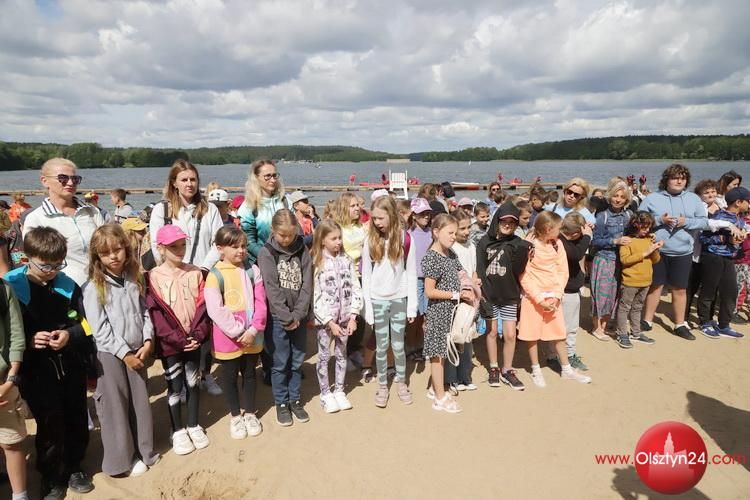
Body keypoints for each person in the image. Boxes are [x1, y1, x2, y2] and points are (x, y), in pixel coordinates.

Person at [4, 227, 95, 498]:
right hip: (36, 370)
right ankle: (51, 475)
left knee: (76, 416)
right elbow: (8, 332)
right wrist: (30, 340)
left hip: (71, 364)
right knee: (49, 422)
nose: (52, 271)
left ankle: (74, 466)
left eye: (58, 265)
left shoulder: (68, 285)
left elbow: (86, 324)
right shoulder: (12, 286)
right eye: (45, 266)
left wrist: (70, 334)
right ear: (26, 257)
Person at [82, 225, 159, 477]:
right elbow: (99, 328)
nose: (113, 256)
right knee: (115, 406)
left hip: (138, 348)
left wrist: (147, 339)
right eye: (105, 253)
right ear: (97, 256)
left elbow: (144, 311)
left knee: (139, 402)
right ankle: (120, 462)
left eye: (117, 250)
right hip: (111, 355)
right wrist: (124, 353)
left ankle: (144, 450)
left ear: (126, 249)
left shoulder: (134, 277)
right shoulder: (94, 287)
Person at [149, 160, 223, 394]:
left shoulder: (209, 209)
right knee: (176, 327)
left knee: (204, 326)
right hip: (171, 279)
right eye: (184, 179)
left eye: (193, 179)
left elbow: (218, 241)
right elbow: (156, 243)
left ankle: (205, 374)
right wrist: (171, 270)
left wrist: (203, 269)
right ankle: (179, 382)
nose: (189, 184)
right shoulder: (162, 210)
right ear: (174, 183)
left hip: (202, 275)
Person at [145, 225, 211, 455]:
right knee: (174, 386)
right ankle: (177, 429)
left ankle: (193, 424)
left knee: (193, 382)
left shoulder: (195, 273)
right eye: (173, 246)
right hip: (170, 344)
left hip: (193, 340)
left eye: (183, 245)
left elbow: (204, 308)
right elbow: (156, 315)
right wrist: (176, 339)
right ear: (161, 249)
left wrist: (199, 335)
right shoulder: (153, 277)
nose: (180, 250)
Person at [205, 226, 267, 439]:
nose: (241, 250)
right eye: (234, 246)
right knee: (230, 377)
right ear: (220, 248)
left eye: (243, 246)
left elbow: (261, 302)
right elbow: (215, 309)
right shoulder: (214, 275)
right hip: (228, 338)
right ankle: (235, 416)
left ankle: (250, 413)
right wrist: (238, 331)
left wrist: (254, 329)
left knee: (249, 374)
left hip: (252, 335)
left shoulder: (253, 270)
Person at [518, 212, 592, 387]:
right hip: (533, 297)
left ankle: (566, 369)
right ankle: (535, 369)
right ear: (547, 229)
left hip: (553, 297)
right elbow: (524, 275)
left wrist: (557, 295)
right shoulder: (529, 245)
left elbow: (562, 271)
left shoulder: (557, 244)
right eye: (558, 228)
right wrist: (539, 299)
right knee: (532, 335)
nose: (561, 231)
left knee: (559, 334)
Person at [639, 164, 708, 340]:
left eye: (682, 178)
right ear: (666, 180)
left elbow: (703, 222)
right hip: (657, 250)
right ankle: (647, 320)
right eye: (675, 178)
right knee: (655, 286)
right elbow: (638, 220)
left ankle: (679, 324)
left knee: (680, 289)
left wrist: (686, 222)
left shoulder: (693, 199)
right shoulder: (652, 198)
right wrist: (659, 220)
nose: (679, 181)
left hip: (683, 252)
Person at [257, 209, 313, 426]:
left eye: (291, 234)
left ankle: (295, 399)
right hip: (278, 317)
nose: (287, 239)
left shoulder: (302, 249)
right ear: (273, 230)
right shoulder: (267, 253)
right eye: (282, 235)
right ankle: (281, 402)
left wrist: (299, 314)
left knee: (297, 361)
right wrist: (286, 316)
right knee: (280, 362)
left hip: (299, 316)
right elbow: (272, 288)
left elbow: (307, 284)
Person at [361, 196, 417, 408]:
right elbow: (366, 275)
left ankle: (402, 383)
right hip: (377, 300)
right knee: (382, 345)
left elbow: (411, 273)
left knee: (398, 345)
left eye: (380, 218)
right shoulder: (370, 240)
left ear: (392, 215)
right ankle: (383, 385)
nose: (377, 222)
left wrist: (412, 306)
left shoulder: (405, 239)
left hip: (399, 298)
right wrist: (368, 309)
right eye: (374, 218)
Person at [23, 158, 104, 286]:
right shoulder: (36, 219)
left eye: (75, 179)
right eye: (62, 178)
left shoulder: (92, 212)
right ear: (44, 181)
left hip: (102, 285)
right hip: (65, 289)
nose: (70, 183)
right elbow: (36, 263)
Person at [476, 201, 530, 390]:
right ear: (497, 220)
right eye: (504, 221)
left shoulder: (517, 243)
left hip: (509, 295)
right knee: (491, 332)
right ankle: (493, 367)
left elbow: (518, 270)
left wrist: (525, 250)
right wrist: (482, 294)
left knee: (510, 334)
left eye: (512, 222)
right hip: (489, 295)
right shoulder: (484, 242)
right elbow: (480, 268)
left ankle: (507, 369)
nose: (507, 225)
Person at [422, 213, 473, 413]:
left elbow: (462, 273)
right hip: (438, 313)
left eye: (455, 232)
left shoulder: (451, 254)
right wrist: (456, 295)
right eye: (450, 233)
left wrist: (469, 286)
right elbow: (429, 291)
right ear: (436, 232)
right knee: (438, 356)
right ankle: (439, 397)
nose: (454, 236)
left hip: (452, 313)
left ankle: (434, 389)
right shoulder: (432, 258)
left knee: (443, 354)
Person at [311, 220, 362, 413]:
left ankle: (339, 390)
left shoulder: (347, 260)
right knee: (324, 356)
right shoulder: (318, 262)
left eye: (340, 238)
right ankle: (325, 393)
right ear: (322, 240)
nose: (338, 242)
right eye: (333, 238)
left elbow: (356, 287)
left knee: (341, 354)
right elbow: (316, 296)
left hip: (346, 319)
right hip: (326, 322)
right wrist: (329, 321)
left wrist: (354, 316)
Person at [696, 187, 749, 339]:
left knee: (730, 292)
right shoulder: (719, 216)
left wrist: (743, 235)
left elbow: (743, 230)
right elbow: (703, 238)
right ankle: (705, 323)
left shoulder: (739, 218)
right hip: (713, 257)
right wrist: (726, 239)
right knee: (709, 291)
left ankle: (724, 325)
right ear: (738, 202)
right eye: (747, 201)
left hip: (729, 258)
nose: (749, 204)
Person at [589, 181, 633, 340]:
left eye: (622, 197)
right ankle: (596, 327)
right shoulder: (603, 216)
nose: (618, 199)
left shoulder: (629, 215)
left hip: (621, 260)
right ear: (610, 196)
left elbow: (635, 234)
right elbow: (595, 241)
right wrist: (615, 241)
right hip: (604, 259)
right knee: (600, 295)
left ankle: (606, 325)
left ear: (626, 199)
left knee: (615, 295)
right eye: (615, 196)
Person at [615, 212, 663, 348]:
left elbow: (656, 260)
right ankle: (622, 334)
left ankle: (636, 333)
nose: (647, 230)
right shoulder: (627, 241)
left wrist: (655, 249)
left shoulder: (648, 240)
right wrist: (645, 252)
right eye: (644, 227)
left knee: (637, 308)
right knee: (624, 308)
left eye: (649, 227)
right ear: (635, 225)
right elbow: (625, 260)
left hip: (646, 281)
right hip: (630, 282)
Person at [552, 212, 593, 371]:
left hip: (564, 289)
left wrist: (584, 233)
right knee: (569, 328)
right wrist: (587, 236)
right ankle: (568, 355)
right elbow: (576, 254)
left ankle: (553, 355)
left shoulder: (559, 238)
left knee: (558, 326)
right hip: (566, 291)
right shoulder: (561, 241)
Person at [0, 276, 28, 500]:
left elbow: (16, 336)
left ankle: (20, 495)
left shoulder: (3, 289)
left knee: (11, 442)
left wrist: (10, 380)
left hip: (3, 384)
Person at [445, 209, 478, 391]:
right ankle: (452, 378)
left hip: (470, 298)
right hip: (456, 299)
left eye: (468, 227)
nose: (466, 232)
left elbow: (473, 271)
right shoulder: (451, 248)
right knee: (454, 338)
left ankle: (465, 376)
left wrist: (475, 285)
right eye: (462, 228)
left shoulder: (471, 246)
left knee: (467, 338)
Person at [238, 159, 287, 265]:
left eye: (275, 175)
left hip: (287, 259)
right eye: (267, 176)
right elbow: (249, 241)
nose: (273, 180)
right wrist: (268, 256)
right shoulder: (249, 206)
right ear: (256, 178)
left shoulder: (285, 201)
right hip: (261, 262)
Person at [407, 197, 433, 360]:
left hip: (429, 278)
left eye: (428, 213)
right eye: (422, 213)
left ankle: (422, 345)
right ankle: (411, 346)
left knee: (426, 315)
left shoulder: (431, 233)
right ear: (414, 215)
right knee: (415, 315)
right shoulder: (408, 234)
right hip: (414, 279)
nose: (426, 216)